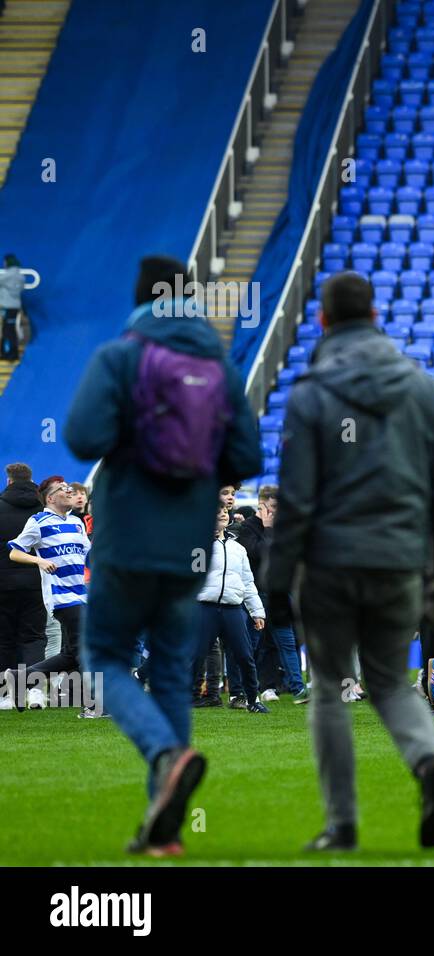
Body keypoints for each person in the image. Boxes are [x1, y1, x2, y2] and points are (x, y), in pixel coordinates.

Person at [65, 255, 262, 856]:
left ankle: (165, 754)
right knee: (175, 676)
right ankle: (165, 831)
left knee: (103, 657)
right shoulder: (218, 367)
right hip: (190, 546)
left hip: (126, 537)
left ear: (139, 296)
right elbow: (248, 455)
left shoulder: (122, 357)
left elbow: (80, 437)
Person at [265, 271, 434, 851]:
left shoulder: (310, 393)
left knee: (329, 688)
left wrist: (278, 575)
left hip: (328, 562)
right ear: (375, 315)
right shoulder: (423, 389)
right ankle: (428, 765)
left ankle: (343, 824)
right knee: (390, 683)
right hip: (399, 560)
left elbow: (296, 497)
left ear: (322, 321)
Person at [5, 477, 91, 710]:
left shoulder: (76, 522)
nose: (68, 491)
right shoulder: (38, 521)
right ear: (51, 498)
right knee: (86, 648)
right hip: (60, 596)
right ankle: (95, 705)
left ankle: (21, 677)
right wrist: (39, 560)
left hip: (81, 594)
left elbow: (87, 555)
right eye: (62, 489)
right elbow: (15, 551)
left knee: (71, 654)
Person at [233, 485, 307, 705]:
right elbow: (260, 554)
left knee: (287, 640)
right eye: (274, 506)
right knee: (256, 644)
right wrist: (267, 528)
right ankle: (261, 687)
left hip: (280, 591)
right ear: (262, 505)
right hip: (255, 594)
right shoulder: (247, 528)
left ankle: (296, 688)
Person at [194, 507, 267, 714]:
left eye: (225, 511)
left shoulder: (238, 549)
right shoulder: (199, 547)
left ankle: (253, 699)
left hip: (233, 609)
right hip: (205, 608)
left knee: (245, 656)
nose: (222, 514)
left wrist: (257, 611)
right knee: (196, 657)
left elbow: (248, 582)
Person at [0, 462, 45, 699]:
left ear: (8, 481)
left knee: (4, 638)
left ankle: (5, 696)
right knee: (34, 637)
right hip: (36, 581)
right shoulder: (41, 509)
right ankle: (35, 692)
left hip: (3, 583)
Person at [0, 253, 22, 361]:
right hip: (14, 307)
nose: (3, 264)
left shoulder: (9, 275)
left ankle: (11, 354)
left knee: (8, 331)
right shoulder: (19, 275)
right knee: (9, 330)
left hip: (8, 307)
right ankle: (8, 353)